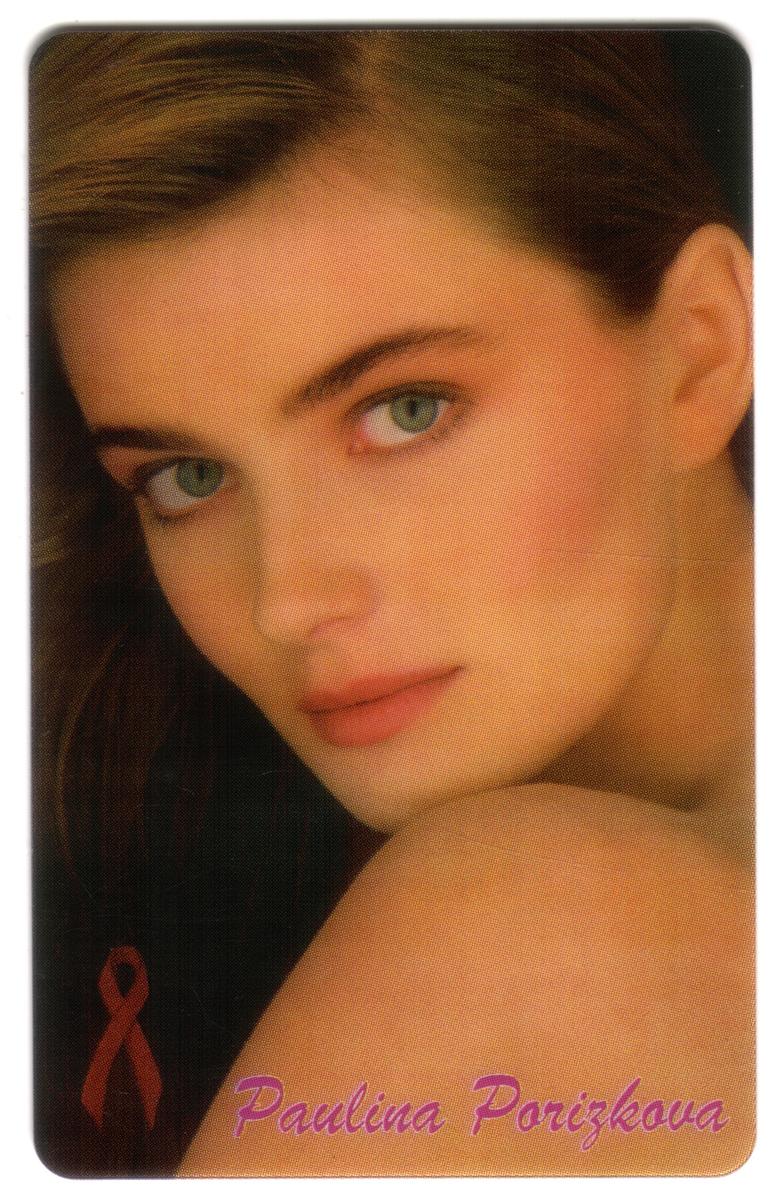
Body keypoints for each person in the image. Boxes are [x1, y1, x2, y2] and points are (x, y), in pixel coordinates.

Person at [30, 27, 754, 1176]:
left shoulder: (526, 916)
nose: (286, 602)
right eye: (186, 478)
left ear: (698, 353)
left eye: (404, 410)